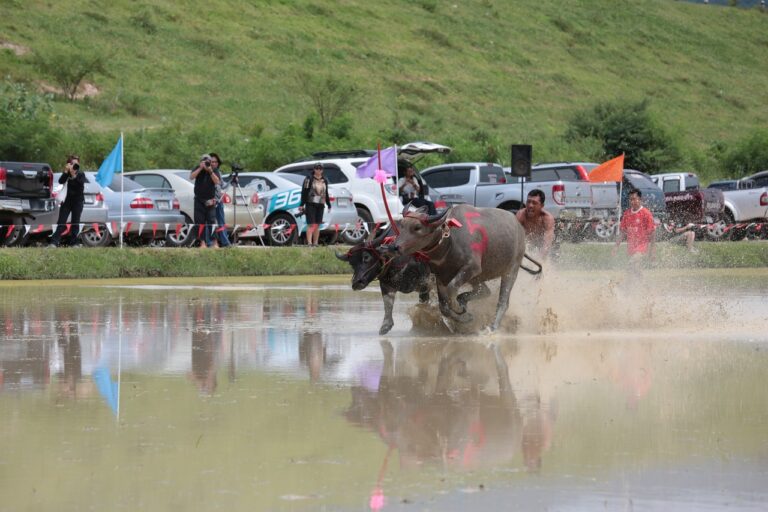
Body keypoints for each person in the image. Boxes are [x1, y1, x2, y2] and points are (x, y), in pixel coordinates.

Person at [613, 189, 656, 274]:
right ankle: (639, 285)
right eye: (630, 199)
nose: (632, 201)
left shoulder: (646, 214)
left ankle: (631, 285)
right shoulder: (627, 214)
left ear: (640, 199)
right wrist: (616, 246)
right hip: (631, 247)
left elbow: (652, 233)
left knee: (631, 264)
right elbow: (622, 232)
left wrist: (652, 251)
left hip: (642, 247)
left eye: (634, 199)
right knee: (635, 270)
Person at [49, 155, 86, 247]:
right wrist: (66, 171)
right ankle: (54, 242)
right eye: (72, 164)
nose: (74, 166)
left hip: (78, 201)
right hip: (67, 201)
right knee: (61, 221)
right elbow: (61, 181)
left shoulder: (81, 174)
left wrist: (73, 174)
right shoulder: (67, 173)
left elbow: (80, 184)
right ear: (69, 164)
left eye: (76, 164)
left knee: (75, 222)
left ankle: (75, 243)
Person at [190, 153, 220, 248]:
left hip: (210, 200)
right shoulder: (197, 168)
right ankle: (202, 243)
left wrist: (210, 171)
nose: (207, 163)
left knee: (212, 221)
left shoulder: (214, 169)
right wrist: (200, 168)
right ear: (201, 161)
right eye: (204, 161)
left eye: (208, 161)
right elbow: (191, 177)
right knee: (200, 222)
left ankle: (215, 243)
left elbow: (217, 182)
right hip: (199, 200)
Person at [515, 189, 555, 260]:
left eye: (534, 203)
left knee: (552, 257)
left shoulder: (547, 218)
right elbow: (515, 237)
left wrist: (540, 260)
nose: (530, 205)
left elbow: (547, 243)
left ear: (542, 205)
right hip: (528, 245)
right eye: (528, 202)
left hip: (544, 246)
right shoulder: (521, 215)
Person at [300, 163, 331, 247]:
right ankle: (309, 243)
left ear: (322, 170)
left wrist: (329, 204)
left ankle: (316, 243)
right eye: (317, 168)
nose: (318, 170)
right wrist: (302, 204)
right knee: (311, 224)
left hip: (321, 204)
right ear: (314, 169)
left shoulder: (324, 180)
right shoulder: (309, 179)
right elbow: (304, 192)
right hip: (310, 203)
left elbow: (326, 193)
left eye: (320, 168)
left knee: (318, 224)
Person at [209, 153, 231, 248]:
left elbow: (222, 185)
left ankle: (225, 242)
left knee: (221, 222)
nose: (214, 164)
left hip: (219, 200)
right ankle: (210, 242)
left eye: (215, 162)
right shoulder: (207, 172)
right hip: (210, 200)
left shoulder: (218, 172)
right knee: (210, 222)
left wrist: (231, 180)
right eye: (212, 162)